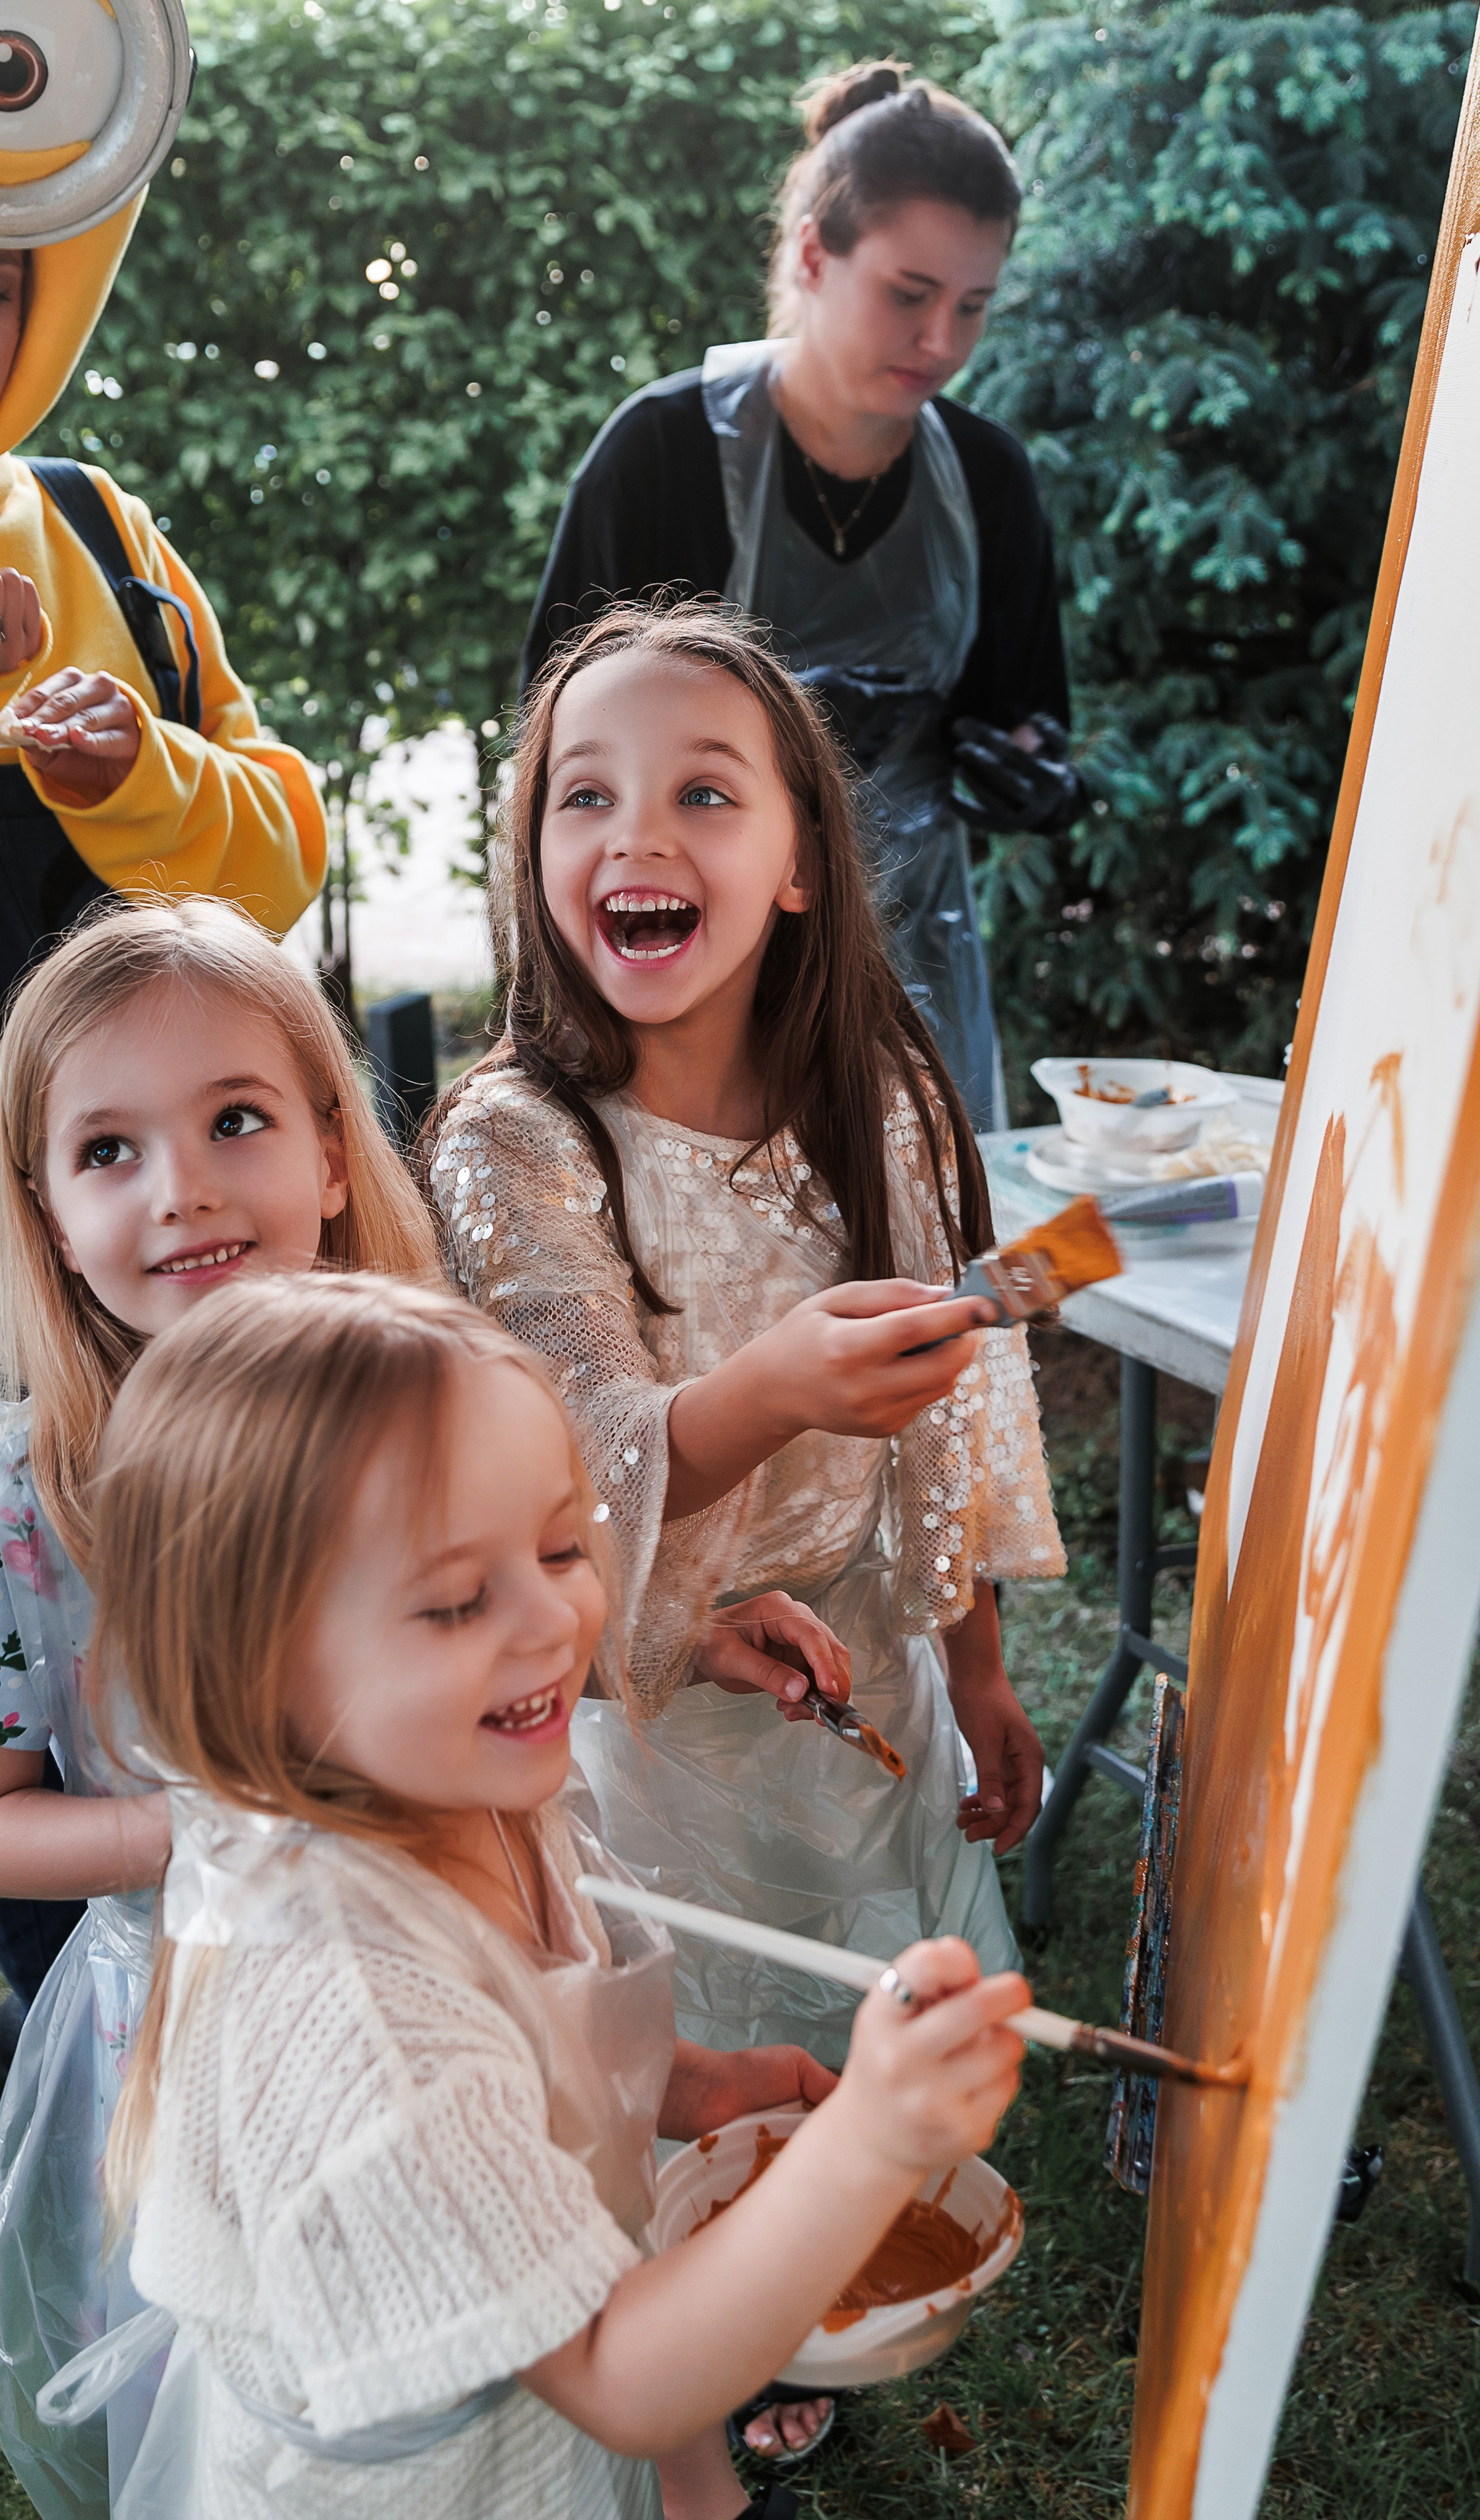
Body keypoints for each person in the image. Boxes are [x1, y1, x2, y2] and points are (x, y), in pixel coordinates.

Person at [33, 1270, 1028, 2520]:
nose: (555, 1618)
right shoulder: (361, 2024)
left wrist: (687, 2085)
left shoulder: (459, 1794)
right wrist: (871, 2141)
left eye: (561, 1548)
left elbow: (535, 2022)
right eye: (457, 1600)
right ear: (254, 1668)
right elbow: (620, 2379)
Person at [429, 602, 1061, 2466]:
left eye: (704, 793)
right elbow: (570, 1470)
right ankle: (712, 2350)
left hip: (860, 1693)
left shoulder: (888, 1098)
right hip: (645, 1720)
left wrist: (975, 1665)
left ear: (799, 864)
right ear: (532, 853)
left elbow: (955, 1414)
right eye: (584, 796)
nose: (637, 833)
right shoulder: (515, 1142)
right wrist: (772, 1389)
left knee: (842, 2018)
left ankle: (829, 2281)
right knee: (691, 2056)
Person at [0, 74, 328, 2019]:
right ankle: (96, 2046)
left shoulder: (102, 526)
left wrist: (138, 782)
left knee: (258, 1568)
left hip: (187, 1146)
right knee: (1, 1648)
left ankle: (315, 1969)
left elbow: (277, 856)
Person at [0, 900, 438, 2520]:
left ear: (333, 1154)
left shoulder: (427, 1418)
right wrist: (217, 1827)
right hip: (189, 2035)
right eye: (107, 1151)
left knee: (438, 2342)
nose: (179, 1188)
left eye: (234, 1121)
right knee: (239, 2400)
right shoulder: (26, 1502)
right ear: (47, 1218)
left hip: (428, 1971)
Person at [522, 60, 1086, 1131]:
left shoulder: (991, 479)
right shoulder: (661, 454)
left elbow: (1028, 712)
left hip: (916, 971)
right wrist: (778, 726)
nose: (943, 343)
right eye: (909, 296)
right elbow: (552, 748)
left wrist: (1029, 774)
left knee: (917, 1216)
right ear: (815, 255)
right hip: (683, 981)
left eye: (973, 306)